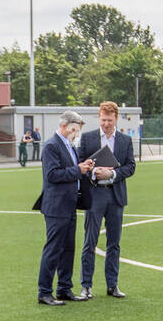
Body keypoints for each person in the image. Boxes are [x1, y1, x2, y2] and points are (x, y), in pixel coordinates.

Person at [78, 101, 136, 299]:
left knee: (114, 244)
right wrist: (94, 172)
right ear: (99, 117)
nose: (106, 124)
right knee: (90, 242)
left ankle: (112, 285)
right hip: (94, 195)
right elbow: (80, 165)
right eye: (103, 120)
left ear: (116, 119)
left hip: (116, 196)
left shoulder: (125, 141)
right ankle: (86, 286)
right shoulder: (87, 138)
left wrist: (112, 174)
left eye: (110, 120)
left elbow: (130, 167)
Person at [35, 110, 94, 305]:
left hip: (69, 204)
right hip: (56, 206)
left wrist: (82, 166)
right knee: (53, 249)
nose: (77, 134)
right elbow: (52, 175)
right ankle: (44, 292)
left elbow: (68, 170)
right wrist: (78, 169)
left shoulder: (68, 145)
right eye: (75, 130)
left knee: (68, 248)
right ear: (65, 126)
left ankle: (64, 288)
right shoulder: (52, 145)